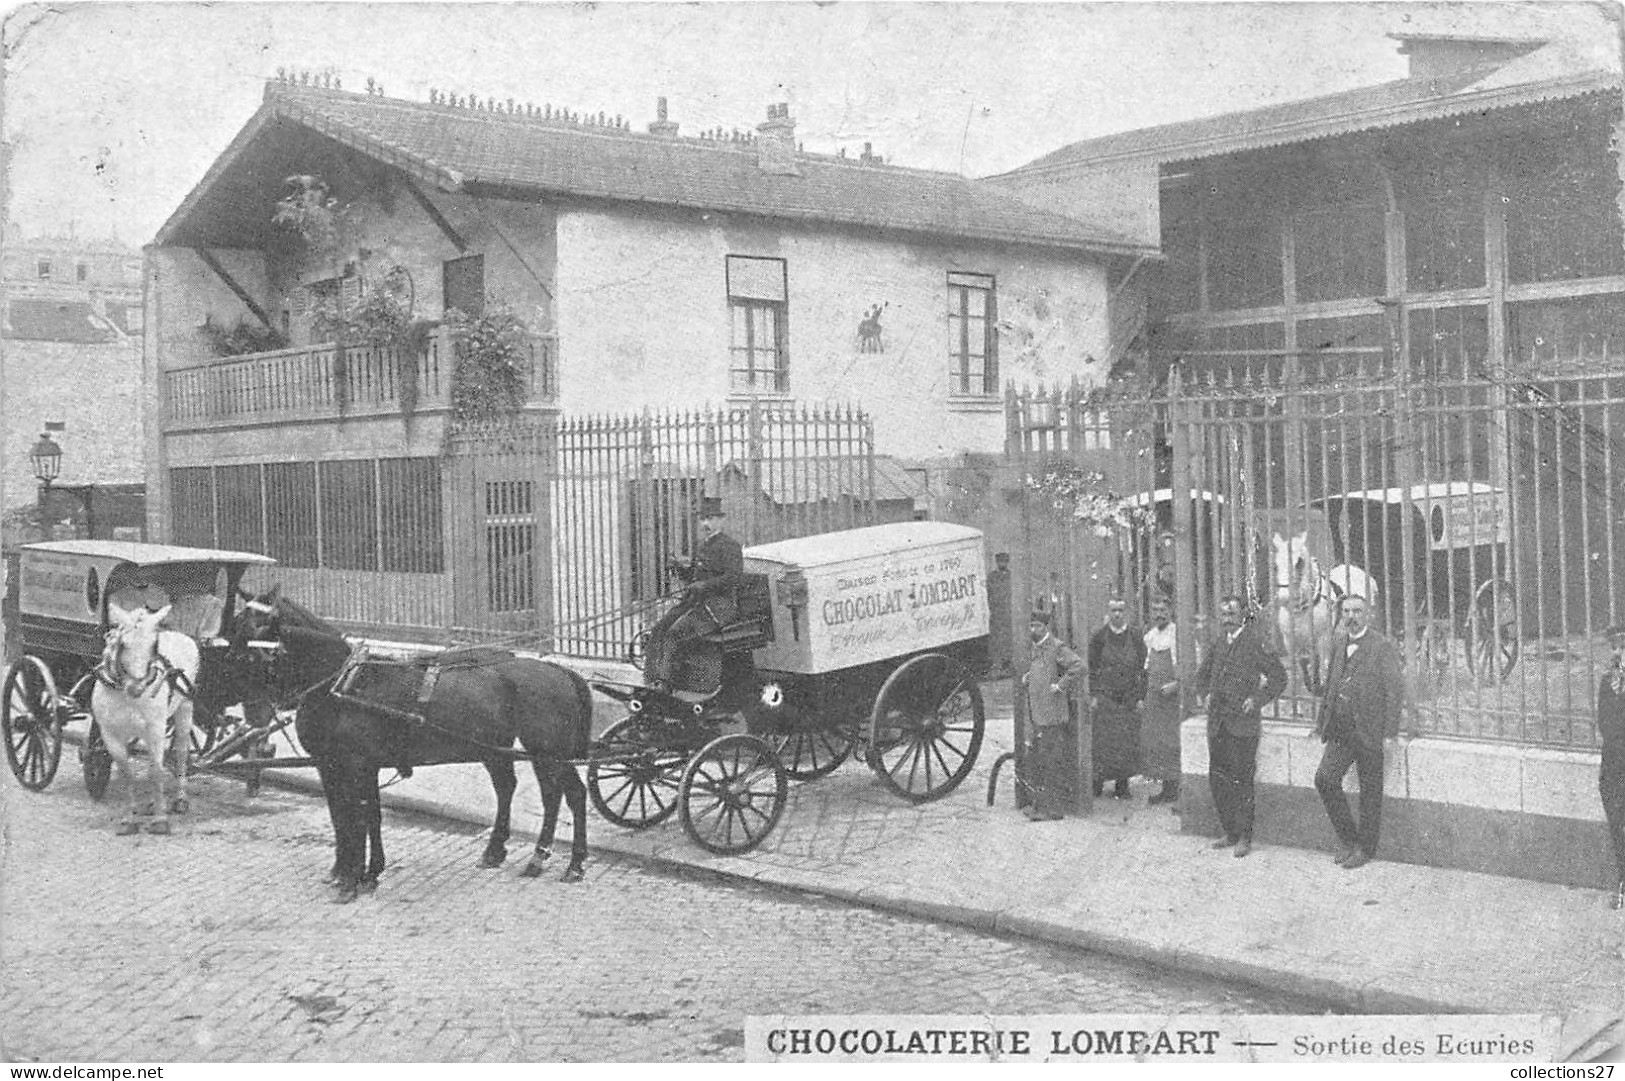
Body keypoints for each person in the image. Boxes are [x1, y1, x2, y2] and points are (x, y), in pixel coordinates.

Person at [1312, 594, 1405, 870]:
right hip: (1341, 730)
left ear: (1368, 615)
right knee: (1325, 779)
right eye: (1347, 611)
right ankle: (1349, 839)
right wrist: (1322, 721)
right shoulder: (1340, 642)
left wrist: (1389, 733)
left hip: (1369, 730)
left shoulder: (1382, 646)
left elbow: (1394, 690)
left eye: (1357, 611)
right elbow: (1331, 682)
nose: (1351, 616)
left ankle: (1365, 849)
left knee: (1370, 792)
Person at [1193, 594, 1286, 858]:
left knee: (1243, 780)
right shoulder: (1220, 642)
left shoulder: (1255, 642)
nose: (1227, 619)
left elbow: (1279, 677)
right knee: (1218, 778)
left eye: (1231, 614)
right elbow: (1202, 674)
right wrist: (1204, 693)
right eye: (1223, 614)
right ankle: (1230, 832)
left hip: (1243, 725)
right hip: (1218, 723)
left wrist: (1256, 700)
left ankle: (1245, 836)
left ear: (1243, 615)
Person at [644, 497, 743, 694]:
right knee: (659, 629)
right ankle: (651, 678)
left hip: (718, 607)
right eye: (703, 519)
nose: (706, 524)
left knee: (674, 633)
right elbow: (695, 577)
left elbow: (734, 578)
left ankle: (665, 683)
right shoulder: (703, 545)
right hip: (696, 602)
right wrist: (680, 569)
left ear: (720, 520)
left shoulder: (730, 546)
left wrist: (704, 585)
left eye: (710, 519)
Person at [1021, 610, 1084, 820]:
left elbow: (1078, 666)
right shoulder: (1036, 648)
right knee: (1041, 761)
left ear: (1046, 627)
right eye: (1031, 626)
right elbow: (1043, 670)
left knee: (1052, 763)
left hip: (1053, 714)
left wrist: (1061, 686)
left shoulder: (1056, 646)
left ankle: (1054, 810)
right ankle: (1041, 806)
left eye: (1037, 626)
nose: (1033, 630)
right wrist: (1030, 677)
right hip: (1039, 713)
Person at [1088, 595, 1146, 800]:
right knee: (1103, 741)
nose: (1117, 614)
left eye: (1121, 610)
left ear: (1126, 612)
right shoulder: (1099, 637)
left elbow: (1143, 668)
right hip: (1105, 696)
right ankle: (1097, 782)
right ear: (1108, 612)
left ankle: (1122, 785)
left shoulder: (1137, 637)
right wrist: (1094, 695)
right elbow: (1092, 669)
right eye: (1114, 610)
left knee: (1125, 741)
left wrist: (1140, 696)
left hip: (1128, 697)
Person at [1142, 597, 1182, 806]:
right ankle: (1166, 787)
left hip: (1173, 698)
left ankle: (1176, 787)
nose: (1159, 614)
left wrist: (1177, 684)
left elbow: (1190, 666)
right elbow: (1147, 667)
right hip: (1155, 697)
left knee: (1172, 741)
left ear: (1171, 610)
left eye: (1163, 609)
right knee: (1158, 742)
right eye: (1155, 609)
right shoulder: (1150, 636)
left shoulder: (1178, 634)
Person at [1598, 625, 1625, 909]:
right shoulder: (1608, 681)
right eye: (1614, 648)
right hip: (1615, 763)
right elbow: (1603, 722)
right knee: (1617, 824)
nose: (1617, 653)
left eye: (1622, 647)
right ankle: (1622, 881)